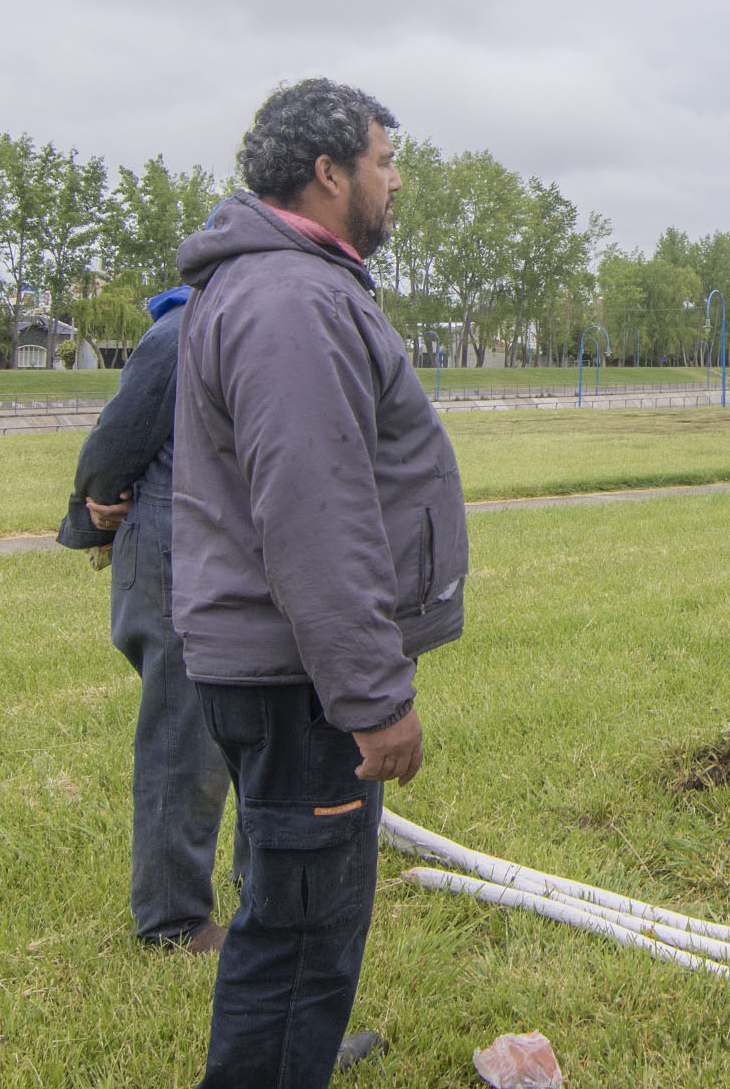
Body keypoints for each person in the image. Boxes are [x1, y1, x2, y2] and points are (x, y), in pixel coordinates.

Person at [174, 80, 469, 1085]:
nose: (395, 182)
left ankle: (299, 1045)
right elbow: (315, 513)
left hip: (281, 664)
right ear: (330, 171)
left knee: (293, 904)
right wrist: (373, 697)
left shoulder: (285, 286)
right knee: (299, 931)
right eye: (384, 162)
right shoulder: (292, 299)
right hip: (299, 675)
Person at [57, 283, 241, 953]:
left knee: (233, 737)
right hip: (172, 563)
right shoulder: (181, 331)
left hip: (216, 560)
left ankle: (258, 906)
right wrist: (98, 504)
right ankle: (172, 921)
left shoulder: (242, 313)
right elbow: (117, 440)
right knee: (181, 741)